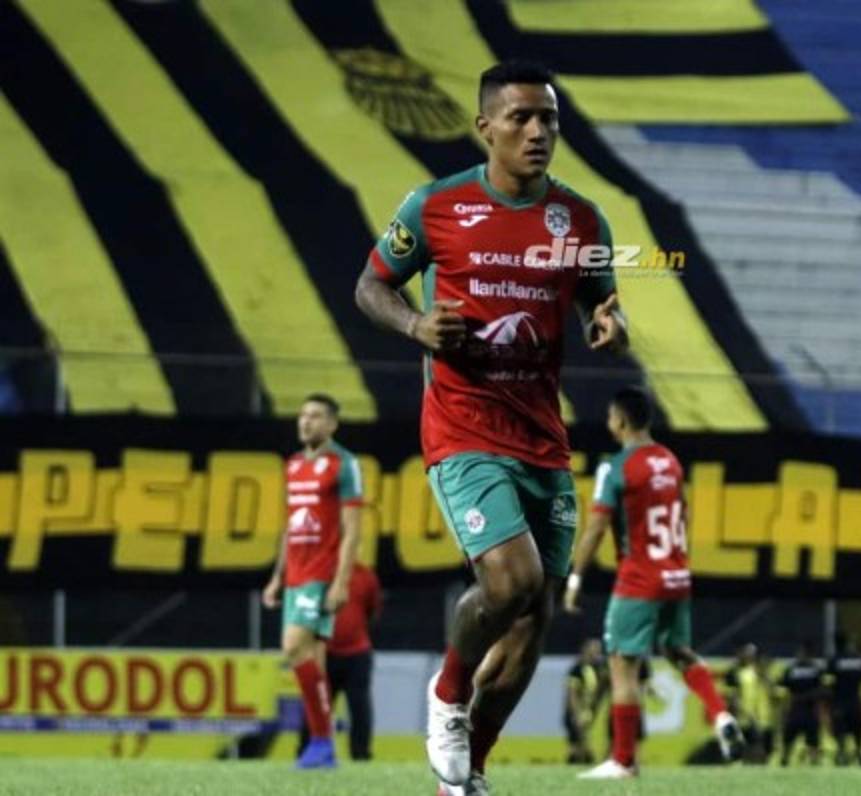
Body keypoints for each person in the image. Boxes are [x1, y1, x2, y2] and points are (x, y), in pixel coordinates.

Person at [355, 59, 628, 796]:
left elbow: (602, 302)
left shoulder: (581, 220)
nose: (539, 132)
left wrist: (612, 323)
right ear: (486, 128)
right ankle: (448, 692)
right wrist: (415, 324)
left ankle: (465, 777)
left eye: (550, 119)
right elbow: (370, 285)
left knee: (532, 623)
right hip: (463, 425)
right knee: (512, 581)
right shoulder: (436, 206)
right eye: (522, 118)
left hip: (542, 436)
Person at [564, 386, 743, 779]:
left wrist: (575, 578)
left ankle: (623, 760)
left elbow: (596, 527)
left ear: (621, 421)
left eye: (610, 417)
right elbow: (684, 514)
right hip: (676, 574)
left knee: (621, 665)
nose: (609, 423)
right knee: (679, 650)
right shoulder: (670, 461)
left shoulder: (617, 467)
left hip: (639, 578)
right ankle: (720, 714)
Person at [262, 394, 363, 769]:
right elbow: (291, 525)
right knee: (312, 663)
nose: (306, 422)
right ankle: (323, 747)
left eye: (316, 416)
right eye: (303, 415)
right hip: (296, 575)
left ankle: (321, 742)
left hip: (321, 574)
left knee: (292, 647)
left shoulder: (344, 464)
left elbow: (353, 531)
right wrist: (277, 577)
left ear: (333, 424)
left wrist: (341, 582)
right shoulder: (293, 465)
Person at [297, 561, 382, 761]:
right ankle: (307, 751)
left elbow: (372, 611)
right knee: (316, 703)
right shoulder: (318, 573)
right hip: (323, 654)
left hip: (357, 654)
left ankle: (361, 755)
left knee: (359, 708)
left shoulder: (366, 576)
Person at [824, 632, 861, 766]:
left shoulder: (834, 661)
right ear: (848, 643)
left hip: (840, 704)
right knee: (859, 736)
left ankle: (842, 758)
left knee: (840, 737)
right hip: (856, 702)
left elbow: (828, 683)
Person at [778, 641, 825, 766]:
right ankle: (786, 760)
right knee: (793, 740)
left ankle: (809, 762)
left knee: (804, 740)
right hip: (803, 710)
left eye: (801, 652)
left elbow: (784, 688)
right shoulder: (816, 669)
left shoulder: (792, 669)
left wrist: (798, 698)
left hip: (802, 710)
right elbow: (821, 690)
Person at [564, 638, 607, 764]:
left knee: (587, 747)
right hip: (576, 713)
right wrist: (578, 714)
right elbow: (572, 694)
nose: (596, 653)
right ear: (585, 650)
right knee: (576, 747)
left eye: (598, 650)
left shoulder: (600, 669)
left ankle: (587, 757)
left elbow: (600, 692)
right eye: (593, 649)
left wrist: (592, 710)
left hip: (591, 712)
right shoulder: (577, 669)